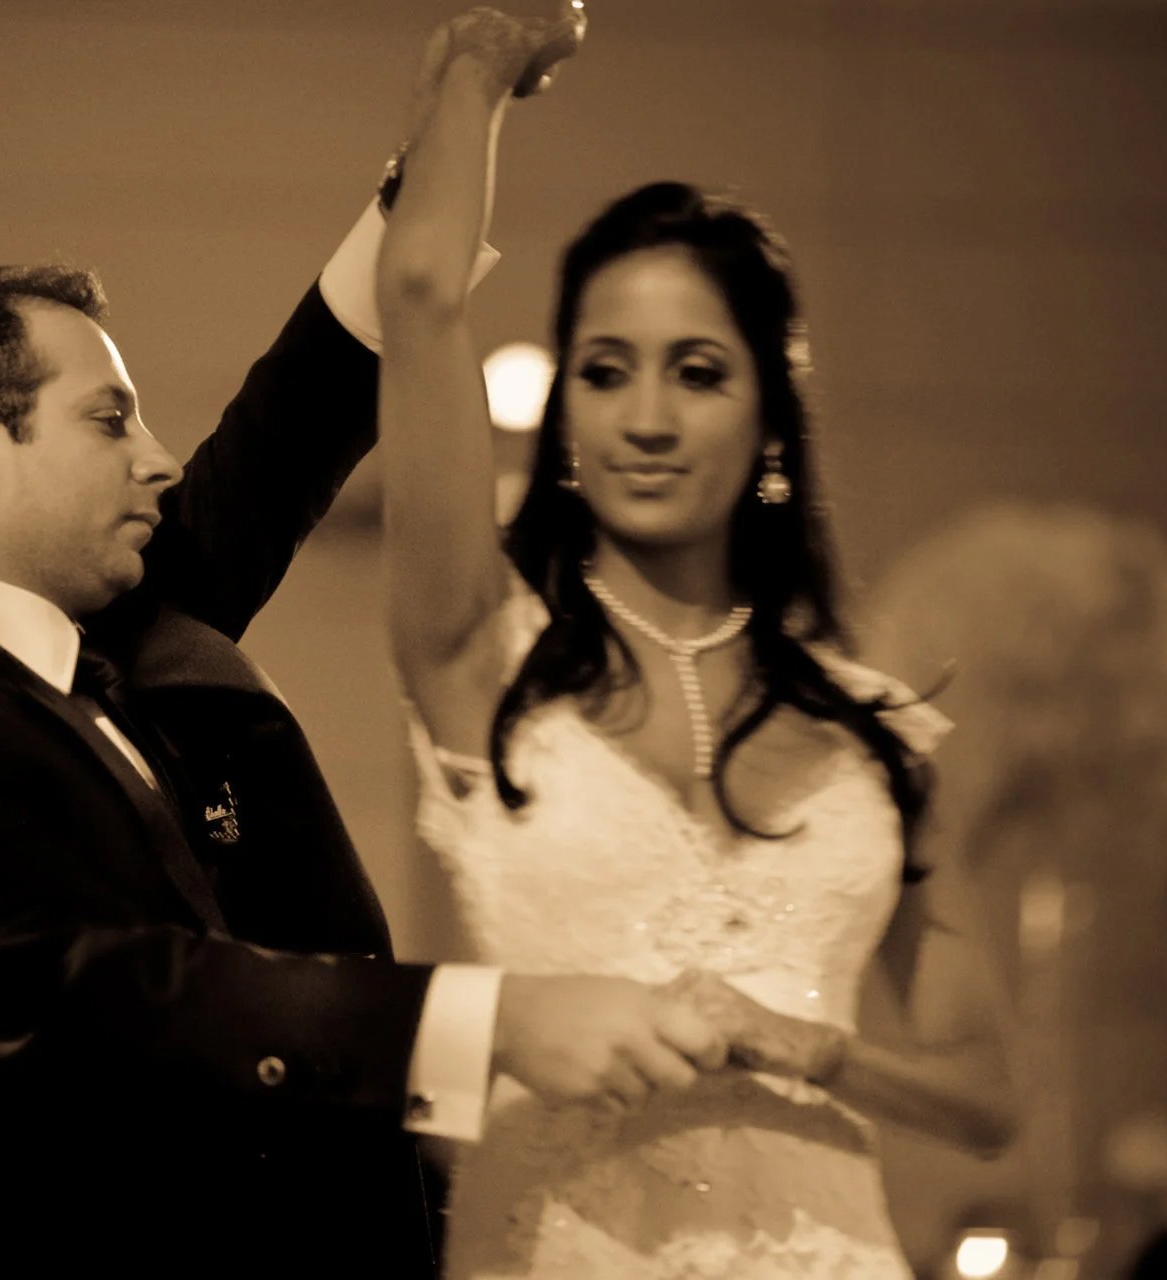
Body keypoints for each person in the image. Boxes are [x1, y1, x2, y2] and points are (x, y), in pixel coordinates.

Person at [0, 11, 797, 1275]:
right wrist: (483, 1020)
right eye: (110, 420)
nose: (158, 460)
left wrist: (458, 119)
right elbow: (121, 995)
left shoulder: (88, 637)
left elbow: (284, 430)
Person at [374, 10, 1019, 1276]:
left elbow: (991, 1091)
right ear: (564, 412)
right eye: (606, 372)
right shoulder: (478, 655)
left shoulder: (873, 731)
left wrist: (817, 1045)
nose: (648, 418)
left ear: (772, 413)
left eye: (698, 372)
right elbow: (416, 291)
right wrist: (477, 67)